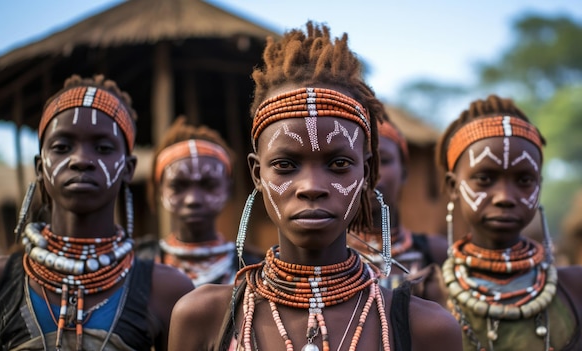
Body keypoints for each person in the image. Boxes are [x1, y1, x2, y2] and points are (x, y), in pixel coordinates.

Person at [168, 22, 462, 351]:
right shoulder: (202, 317)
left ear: (365, 173)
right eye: (285, 165)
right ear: (256, 174)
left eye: (338, 164)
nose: (311, 186)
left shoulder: (426, 328)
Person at [0, 75, 194, 350]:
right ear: (40, 166)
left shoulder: (167, 290)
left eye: (103, 148)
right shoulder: (3, 281)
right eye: (62, 147)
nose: (81, 160)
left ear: (128, 168)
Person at [436, 94, 582, 350]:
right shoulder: (427, 294)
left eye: (524, 180)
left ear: (539, 187)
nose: (505, 197)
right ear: (453, 187)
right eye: (485, 178)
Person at [139, 116, 261, 286]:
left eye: (208, 184)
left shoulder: (254, 270)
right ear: (160, 189)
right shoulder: (138, 266)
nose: (193, 199)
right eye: (179, 185)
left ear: (227, 188)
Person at [347, 118, 448, 294]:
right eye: (353, 161)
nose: (370, 173)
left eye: (383, 161)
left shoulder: (436, 254)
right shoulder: (321, 258)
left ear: (404, 173)